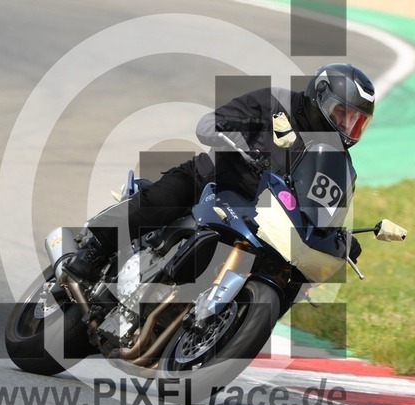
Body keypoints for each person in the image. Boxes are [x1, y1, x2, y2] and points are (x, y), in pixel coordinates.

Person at [65, 63, 374, 283]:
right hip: (213, 181)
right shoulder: (275, 102)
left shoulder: (338, 161)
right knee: (163, 197)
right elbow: (211, 123)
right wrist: (232, 138)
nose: (346, 127)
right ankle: (96, 249)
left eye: (356, 122)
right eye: (342, 114)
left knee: (288, 276)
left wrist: (339, 238)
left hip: (261, 221)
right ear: (320, 96)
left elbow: (324, 209)